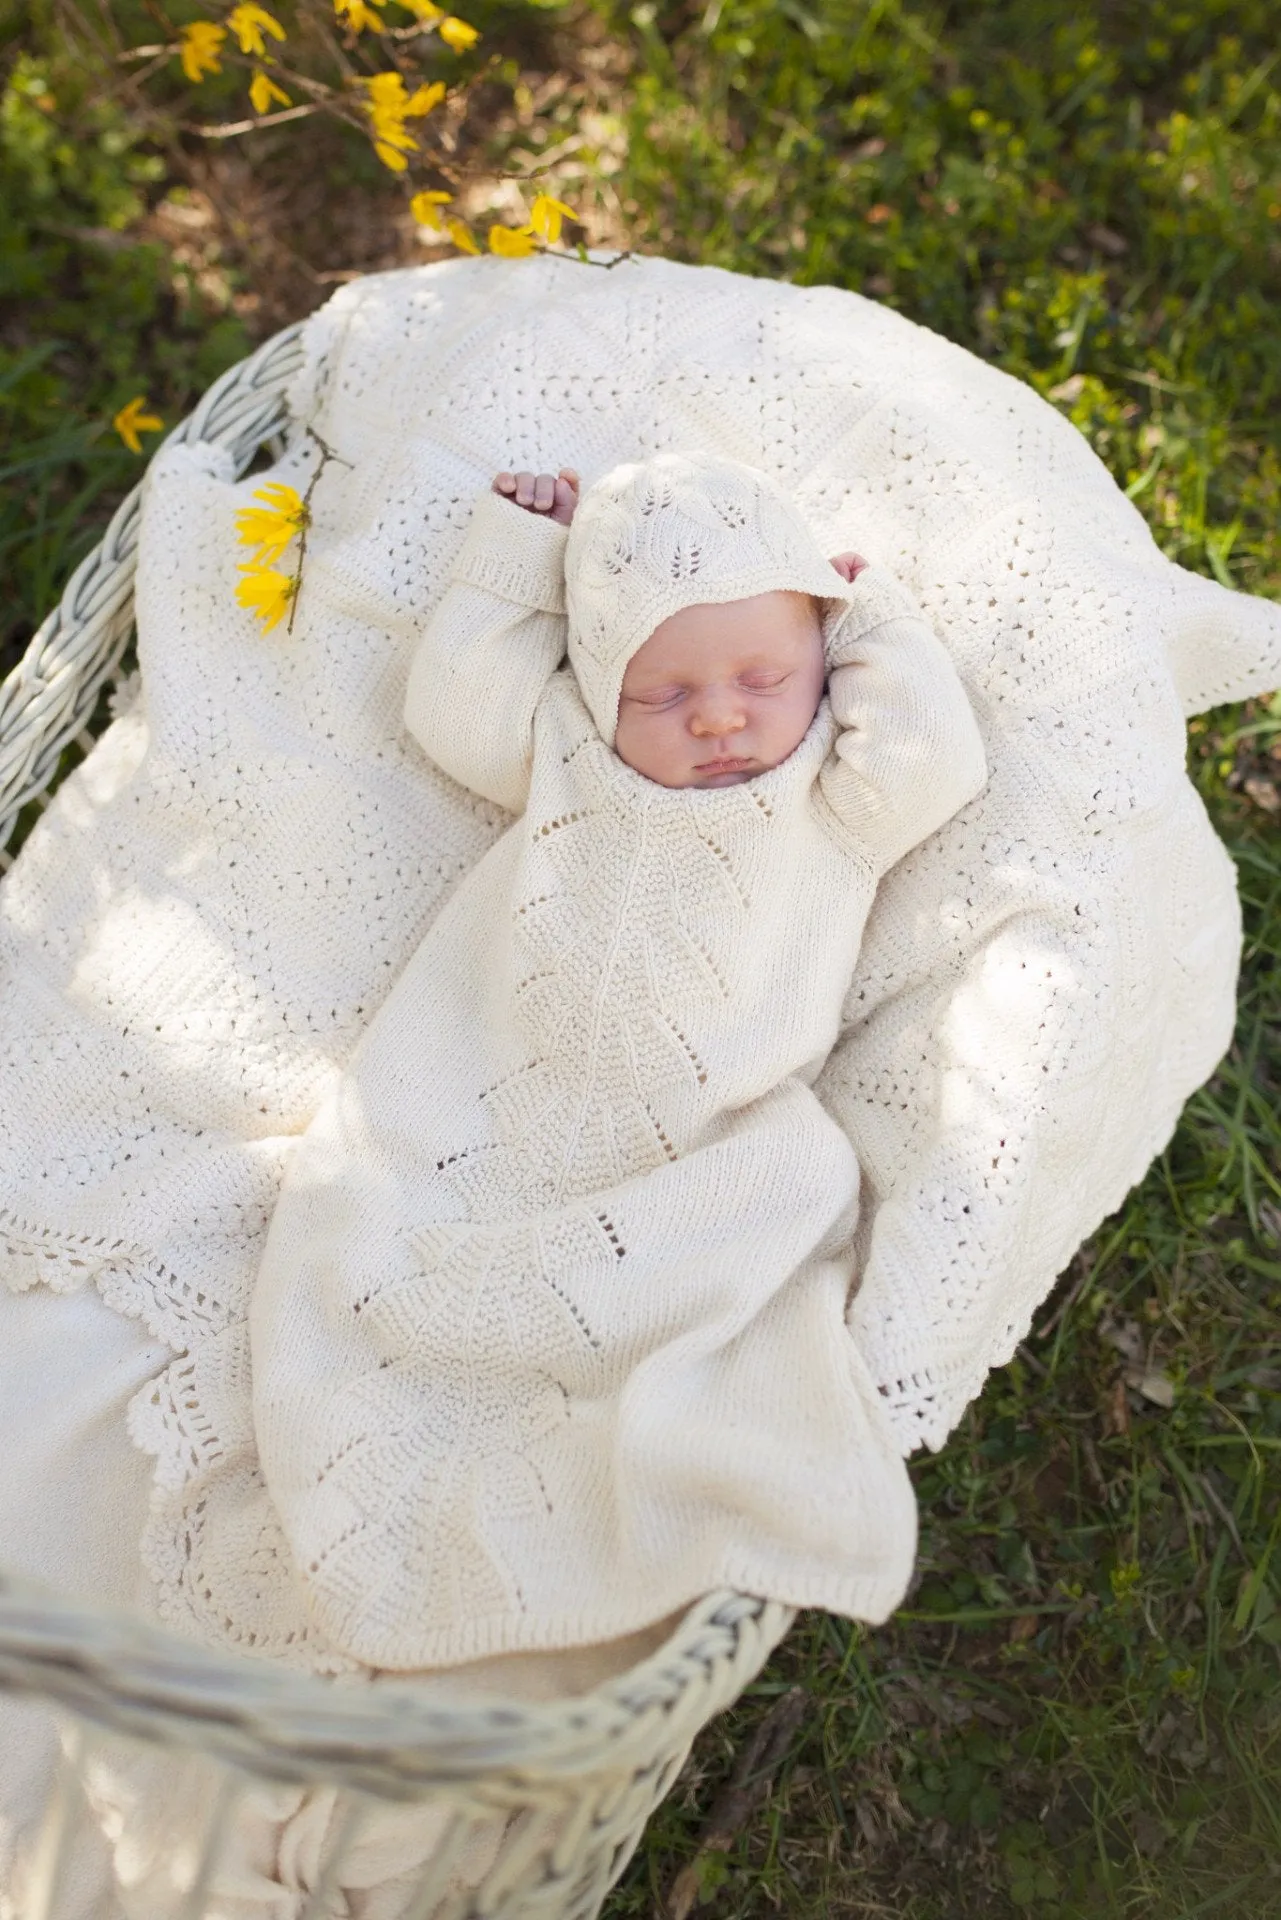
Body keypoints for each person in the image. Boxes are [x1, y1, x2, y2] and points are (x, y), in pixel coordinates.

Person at [247, 450, 989, 1674]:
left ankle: (646, 1434)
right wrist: (515, 562)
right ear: (599, 689)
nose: (717, 717)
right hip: (484, 1101)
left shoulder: (833, 805)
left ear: (821, 669)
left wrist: (881, 619)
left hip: (702, 1132)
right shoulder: (565, 754)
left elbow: (934, 756)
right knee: (372, 1223)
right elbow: (457, 709)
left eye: (765, 679)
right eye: (665, 695)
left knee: (783, 1194)